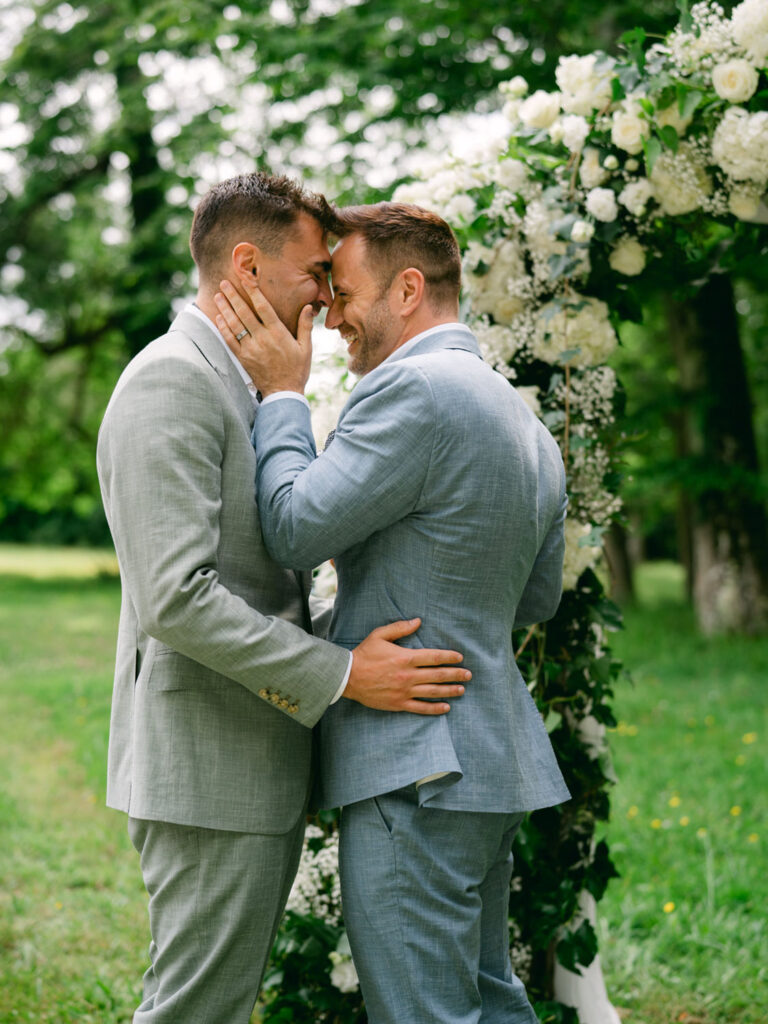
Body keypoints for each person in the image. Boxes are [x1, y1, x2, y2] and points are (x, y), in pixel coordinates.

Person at [96, 177, 470, 1024]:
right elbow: (177, 599)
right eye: (313, 274)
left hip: (245, 762)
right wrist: (344, 675)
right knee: (195, 1010)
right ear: (246, 264)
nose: (328, 299)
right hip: (207, 765)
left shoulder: (242, 384)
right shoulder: (172, 382)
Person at [215, 201, 571, 1024]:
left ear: (408, 289)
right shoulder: (524, 420)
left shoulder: (409, 390)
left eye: (345, 292)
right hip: (490, 755)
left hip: (416, 764)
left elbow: (296, 528)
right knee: (489, 996)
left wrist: (281, 398)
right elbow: (536, 597)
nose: (331, 313)